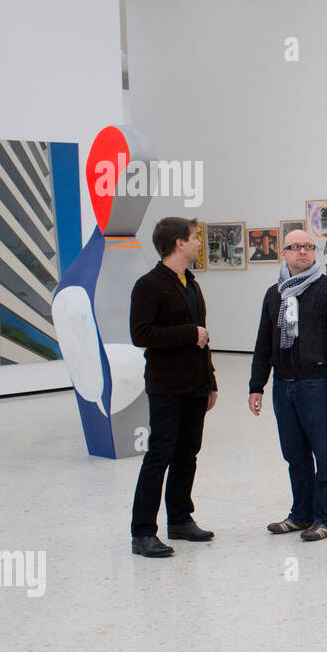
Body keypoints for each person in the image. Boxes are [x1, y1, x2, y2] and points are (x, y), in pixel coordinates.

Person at [248, 230, 327, 540]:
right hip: (284, 385)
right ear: (283, 253)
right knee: (294, 454)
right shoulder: (275, 294)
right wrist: (257, 385)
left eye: (308, 247)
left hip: (317, 384)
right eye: (295, 248)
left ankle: (326, 518)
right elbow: (263, 344)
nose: (303, 252)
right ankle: (301, 514)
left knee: (323, 453)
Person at [128, 217, 218, 557]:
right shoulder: (149, 285)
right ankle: (142, 532)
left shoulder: (190, 282)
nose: (198, 243)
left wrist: (210, 381)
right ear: (178, 243)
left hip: (195, 384)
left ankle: (180, 519)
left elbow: (203, 335)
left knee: (187, 454)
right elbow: (141, 334)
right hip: (166, 386)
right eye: (195, 237)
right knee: (160, 455)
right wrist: (187, 334)